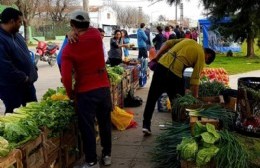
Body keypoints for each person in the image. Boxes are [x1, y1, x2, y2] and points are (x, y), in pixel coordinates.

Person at [61, 10, 112, 168]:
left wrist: (70, 94)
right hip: (103, 89)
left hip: (85, 92)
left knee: (88, 127)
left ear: (72, 25)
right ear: (88, 24)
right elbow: (86, 31)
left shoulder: (69, 49)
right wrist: (71, 32)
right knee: (105, 124)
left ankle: (91, 161)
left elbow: (67, 77)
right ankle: (107, 155)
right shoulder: (96, 35)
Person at [142, 38, 216, 136]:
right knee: (177, 102)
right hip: (174, 74)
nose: (204, 62)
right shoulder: (201, 55)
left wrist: (157, 56)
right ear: (208, 55)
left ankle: (146, 125)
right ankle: (176, 129)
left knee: (152, 97)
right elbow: (195, 80)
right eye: (206, 61)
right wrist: (195, 99)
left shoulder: (188, 40)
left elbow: (168, 43)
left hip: (161, 67)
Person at [0, 8, 38, 113]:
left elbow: (25, 54)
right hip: (10, 87)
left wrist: (32, 67)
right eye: (19, 22)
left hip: (27, 84)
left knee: (34, 111)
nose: (21, 24)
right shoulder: (1, 39)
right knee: (13, 115)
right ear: (12, 21)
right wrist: (24, 77)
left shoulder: (17, 35)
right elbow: (4, 67)